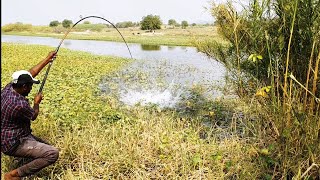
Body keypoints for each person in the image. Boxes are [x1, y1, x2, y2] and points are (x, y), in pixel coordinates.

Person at [1, 51, 59, 180]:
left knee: (46, 146)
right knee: (52, 153)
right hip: (13, 142)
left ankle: (21, 162)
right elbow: (33, 115)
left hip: (7, 135)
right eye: (30, 86)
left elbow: (30, 73)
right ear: (24, 86)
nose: (31, 89)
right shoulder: (19, 104)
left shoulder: (9, 88)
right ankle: (13, 175)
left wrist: (47, 59)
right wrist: (36, 103)